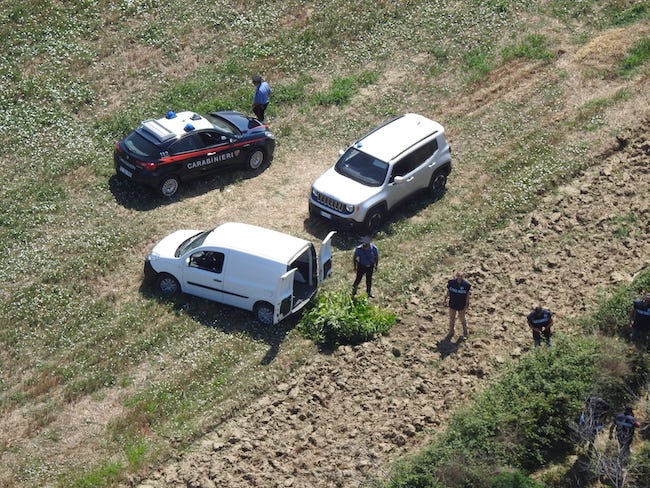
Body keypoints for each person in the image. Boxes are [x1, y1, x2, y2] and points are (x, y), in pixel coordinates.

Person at [443, 271, 471, 337]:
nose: (459, 278)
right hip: (452, 303)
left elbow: (467, 296)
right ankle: (451, 331)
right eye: (458, 276)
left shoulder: (466, 285)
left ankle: (465, 332)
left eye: (461, 276)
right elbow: (448, 292)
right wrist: (445, 299)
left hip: (461, 305)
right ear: (456, 276)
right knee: (452, 318)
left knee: (462, 318)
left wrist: (467, 305)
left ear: (463, 277)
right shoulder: (451, 283)